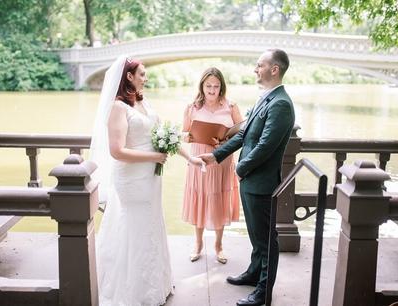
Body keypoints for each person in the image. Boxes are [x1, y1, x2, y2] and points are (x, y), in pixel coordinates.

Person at [90, 56, 203, 306]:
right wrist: (154, 156)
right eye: (141, 73)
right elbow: (117, 151)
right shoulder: (118, 108)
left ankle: (154, 283)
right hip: (131, 177)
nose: (146, 77)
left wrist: (190, 158)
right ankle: (132, 292)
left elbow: (166, 136)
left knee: (151, 224)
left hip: (150, 177)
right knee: (135, 227)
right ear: (128, 76)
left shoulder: (143, 102)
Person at [199, 49, 295, 306]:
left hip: (261, 182)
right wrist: (216, 156)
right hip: (250, 180)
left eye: (259, 65)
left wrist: (240, 169)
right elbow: (243, 136)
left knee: (266, 240)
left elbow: (265, 146)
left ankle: (263, 293)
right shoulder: (265, 99)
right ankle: (254, 273)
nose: (255, 69)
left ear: (274, 69)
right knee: (255, 235)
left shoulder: (281, 104)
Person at [182, 67, 243, 264]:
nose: (212, 90)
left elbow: (242, 133)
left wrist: (224, 142)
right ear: (202, 86)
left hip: (221, 160)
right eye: (208, 86)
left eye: (216, 86)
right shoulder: (192, 108)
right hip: (199, 159)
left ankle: (218, 245)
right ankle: (198, 243)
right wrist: (192, 136)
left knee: (219, 201)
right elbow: (183, 134)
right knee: (200, 199)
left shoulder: (231, 106)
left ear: (221, 87)